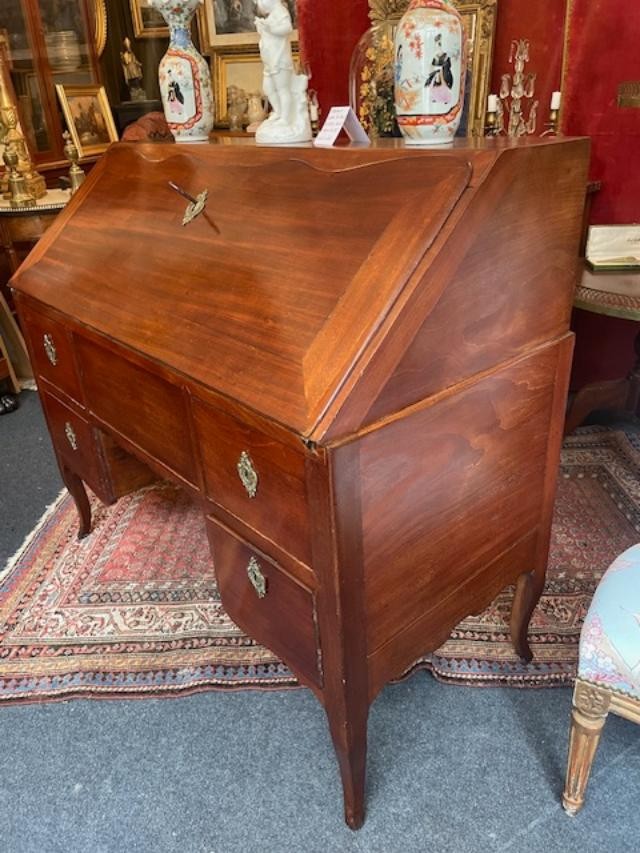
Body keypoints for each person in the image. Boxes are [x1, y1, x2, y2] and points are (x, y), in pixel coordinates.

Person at [255, 0, 295, 125]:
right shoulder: (272, 14)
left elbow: (287, 28)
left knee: (282, 89)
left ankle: (286, 117)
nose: (259, 4)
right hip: (269, 60)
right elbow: (267, 33)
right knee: (268, 88)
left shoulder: (281, 11)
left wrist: (270, 28)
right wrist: (262, 27)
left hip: (279, 60)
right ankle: (278, 112)